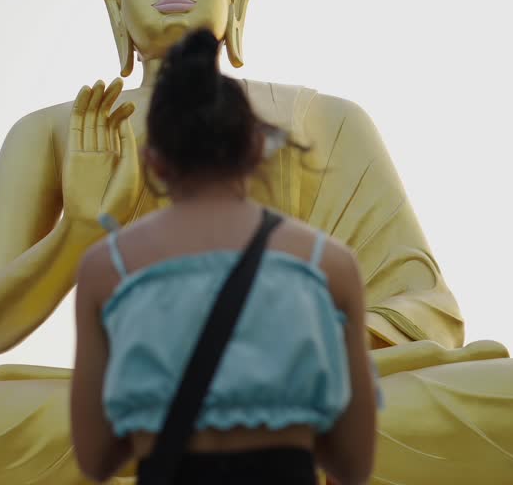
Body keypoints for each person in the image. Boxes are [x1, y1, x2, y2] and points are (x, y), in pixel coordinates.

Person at [69, 28, 378, 485]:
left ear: (153, 161)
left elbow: (95, 458)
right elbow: (353, 464)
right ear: (256, 148)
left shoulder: (106, 267)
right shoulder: (327, 264)